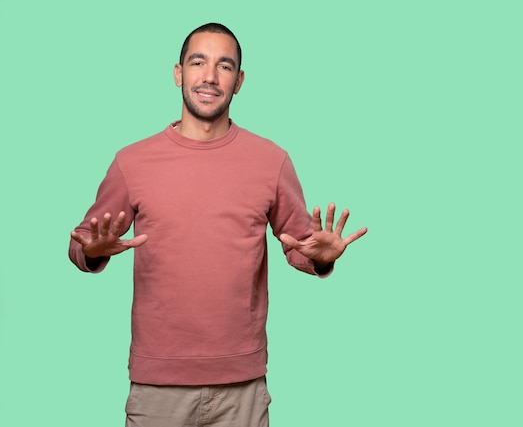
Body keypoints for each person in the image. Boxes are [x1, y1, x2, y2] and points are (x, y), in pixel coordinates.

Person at [68, 22, 367, 427]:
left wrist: (321, 259)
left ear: (239, 81)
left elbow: (299, 246)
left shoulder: (271, 160)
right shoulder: (132, 161)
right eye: (198, 62)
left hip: (241, 385)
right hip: (158, 385)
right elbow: (83, 240)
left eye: (224, 66)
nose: (210, 76)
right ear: (178, 74)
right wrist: (90, 250)